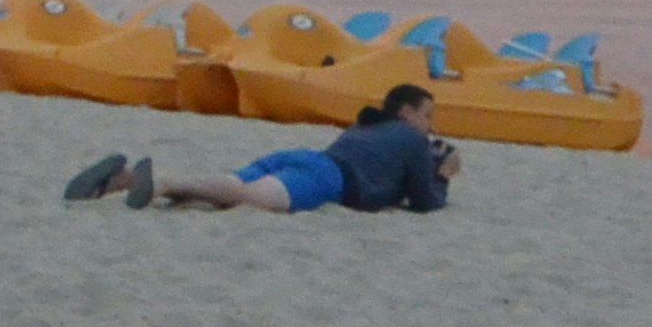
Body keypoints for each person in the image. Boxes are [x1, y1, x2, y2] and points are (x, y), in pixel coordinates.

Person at [60, 82, 457, 213]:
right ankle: (161, 183)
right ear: (407, 113)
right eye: (428, 116)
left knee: (226, 188)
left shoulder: (366, 126)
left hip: (303, 158)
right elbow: (425, 203)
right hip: (327, 178)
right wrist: (443, 175)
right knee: (246, 197)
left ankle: (120, 181)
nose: (432, 126)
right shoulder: (411, 138)